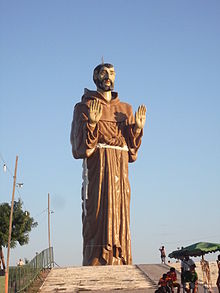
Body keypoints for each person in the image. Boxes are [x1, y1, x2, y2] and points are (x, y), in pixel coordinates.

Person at [70, 63, 146, 265]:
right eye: (104, 73)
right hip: (98, 168)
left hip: (120, 169)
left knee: (120, 213)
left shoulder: (125, 109)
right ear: (95, 77)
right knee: (96, 212)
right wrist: (92, 124)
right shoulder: (84, 107)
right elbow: (80, 148)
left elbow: (132, 152)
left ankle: (120, 257)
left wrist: (137, 130)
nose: (108, 77)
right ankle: (96, 258)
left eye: (112, 73)